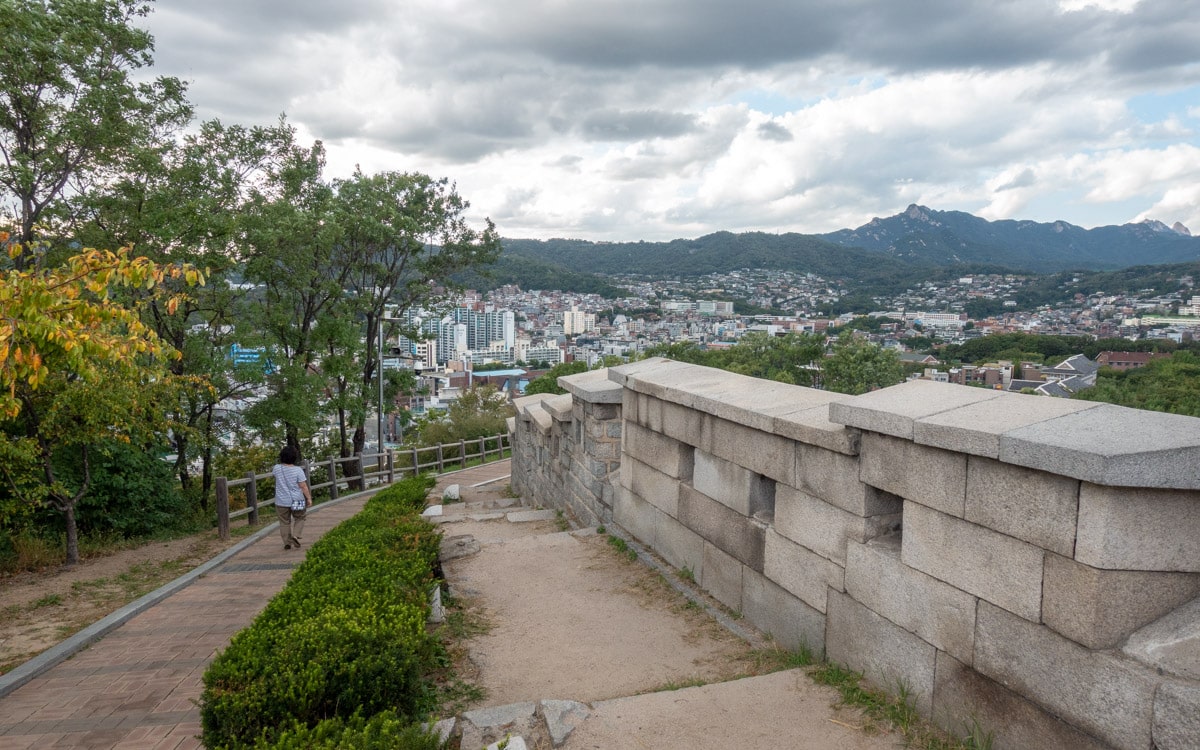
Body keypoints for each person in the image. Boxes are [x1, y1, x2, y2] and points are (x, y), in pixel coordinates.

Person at [272, 445, 312, 550]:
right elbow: (303, 486)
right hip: (297, 499)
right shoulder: (298, 470)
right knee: (300, 517)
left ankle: (287, 542)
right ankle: (295, 535)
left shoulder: (276, 468)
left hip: (281, 501)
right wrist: (308, 498)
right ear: (295, 457)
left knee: (284, 522)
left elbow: (275, 476)